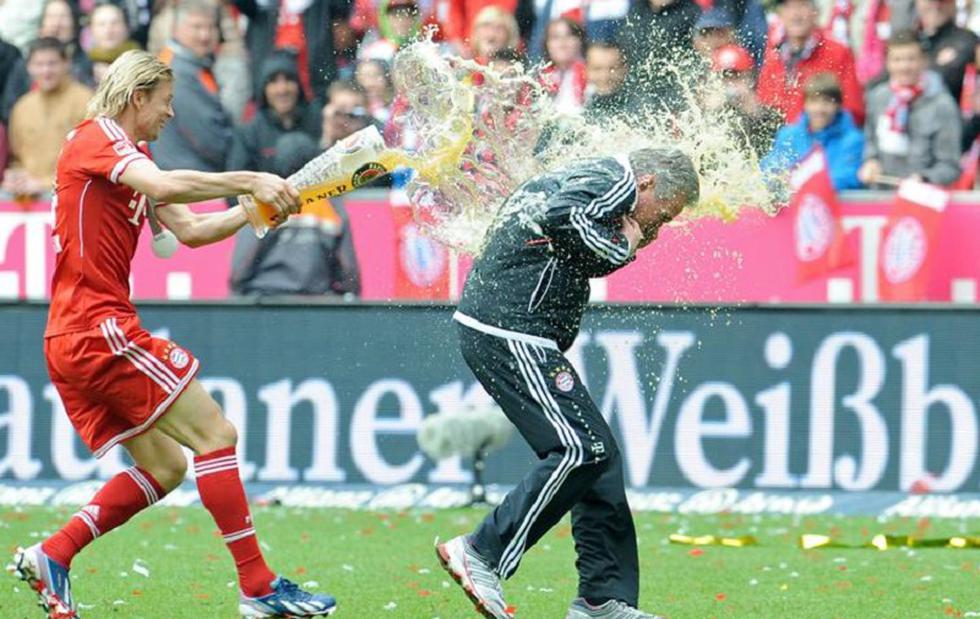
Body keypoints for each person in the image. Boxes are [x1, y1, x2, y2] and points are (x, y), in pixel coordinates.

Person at [8, 50, 336, 618]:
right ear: (138, 97)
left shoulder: (131, 155)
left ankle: (53, 555)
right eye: (165, 103)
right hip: (97, 328)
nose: (168, 114)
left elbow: (193, 230)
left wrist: (259, 209)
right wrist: (252, 178)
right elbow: (164, 183)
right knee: (215, 433)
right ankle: (258, 588)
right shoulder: (97, 138)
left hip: (73, 335)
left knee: (166, 467)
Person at [438, 148, 700, 619]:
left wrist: (624, 241)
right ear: (647, 184)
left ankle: (602, 600)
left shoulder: (600, 177)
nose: (659, 227)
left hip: (511, 327)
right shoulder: (617, 182)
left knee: (599, 454)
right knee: (581, 449)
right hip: (509, 327)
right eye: (665, 212)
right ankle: (482, 553)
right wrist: (623, 247)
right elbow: (563, 217)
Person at [230, 132, 362, 297]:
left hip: (264, 302)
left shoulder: (264, 204)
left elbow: (241, 268)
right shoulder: (331, 207)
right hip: (315, 307)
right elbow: (349, 273)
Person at [859, 30, 962, 187]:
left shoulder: (942, 105)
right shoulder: (877, 97)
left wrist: (924, 178)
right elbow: (870, 144)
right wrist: (870, 163)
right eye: (897, 60)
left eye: (911, 59)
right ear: (887, 63)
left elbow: (950, 166)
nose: (904, 67)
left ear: (923, 61)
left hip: (923, 198)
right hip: (881, 196)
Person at [3, 37, 92, 198]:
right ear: (29, 67)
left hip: (71, 194)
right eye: (39, 64)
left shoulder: (86, 101)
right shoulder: (22, 107)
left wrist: (45, 182)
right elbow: (16, 158)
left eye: (52, 63)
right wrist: (16, 177)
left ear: (66, 64)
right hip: (28, 198)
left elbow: (91, 159)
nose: (46, 71)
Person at [153, 1, 233, 173]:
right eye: (196, 27)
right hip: (189, 179)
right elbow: (210, 140)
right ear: (176, 29)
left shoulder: (187, 63)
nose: (205, 35)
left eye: (210, 27)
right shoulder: (177, 73)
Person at [756, 0, 864, 126]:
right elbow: (765, 103)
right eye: (789, 7)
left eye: (802, 5)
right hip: (782, 139)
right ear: (780, 14)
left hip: (825, 139)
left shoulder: (837, 53)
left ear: (815, 12)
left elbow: (853, 111)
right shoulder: (773, 54)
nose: (795, 14)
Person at [762, 72, 865, 190]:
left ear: (838, 105)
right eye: (814, 101)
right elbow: (769, 169)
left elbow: (846, 177)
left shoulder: (852, 140)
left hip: (834, 205)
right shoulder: (788, 136)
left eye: (826, 101)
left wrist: (798, 183)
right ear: (805, 104)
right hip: (792, 206)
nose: (819, 109)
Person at [226, 51, 321, 174]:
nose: (282, 89)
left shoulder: (319, 121)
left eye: (289, 79)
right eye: (273, 81)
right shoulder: (248, 134)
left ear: (298, 86)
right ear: (263, 89)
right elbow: (237, 183)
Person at [703, 44, 782, 158]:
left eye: (736, 76)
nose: (731, 83)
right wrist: (710, 112)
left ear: (750, 77)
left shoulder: (769, 115)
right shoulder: (707, 112)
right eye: (725, 77)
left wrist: (754, 112)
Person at [539, 17, 588, 114]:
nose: (562, 43)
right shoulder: (540, 78)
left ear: (580, 41)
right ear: (546, 44)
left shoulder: (592, 73)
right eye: (555, 37)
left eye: (569, 35)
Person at [583, 40, 630, 121]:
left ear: (625, 69)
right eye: (597, 69)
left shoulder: (644, 107)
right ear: (585, 70)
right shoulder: (571, 108)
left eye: (613, 68)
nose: (605, 77)